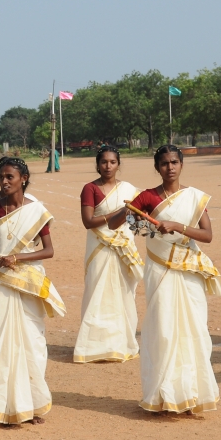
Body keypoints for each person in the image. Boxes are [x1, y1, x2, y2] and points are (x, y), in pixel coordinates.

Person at [129, 145, 221, 414]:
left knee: (194, 328)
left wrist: (178, 226)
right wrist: (135, 218)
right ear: (157, 168)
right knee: (164, 329)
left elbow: (207, 235)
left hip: (188, 270)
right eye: (164, 163)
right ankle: (163, 395)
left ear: (181, 165)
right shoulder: (146, 197)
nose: (170, 168)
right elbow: (123, 223)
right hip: (160, 269)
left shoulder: (193, 198)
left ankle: (193, 393)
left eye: (174, 162)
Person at [0, 157, 65, 425]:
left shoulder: (36, 211)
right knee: (1, 341)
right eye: (2, 176)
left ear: (23, 178)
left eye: (10, 177)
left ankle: (33, 404)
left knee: (31, 343)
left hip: (28, 282)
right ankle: (4, 407)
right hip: (1, 282)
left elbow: (48, 251)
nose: (4, 181)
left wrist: (17, 258)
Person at [73, 146, 143, 363]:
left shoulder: (129, 190)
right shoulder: (90, 188)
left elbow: (139, 216)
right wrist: (120, 213)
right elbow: (88, 221)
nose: (108, 166)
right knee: (98, 292)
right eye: (104, 162)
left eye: (112, 162)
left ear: (118, 164)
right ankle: (94, 346)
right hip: (99, 247)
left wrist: (131, 214)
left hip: (123, 246)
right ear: (98, 164)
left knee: (123, 293)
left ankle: (122, 343)